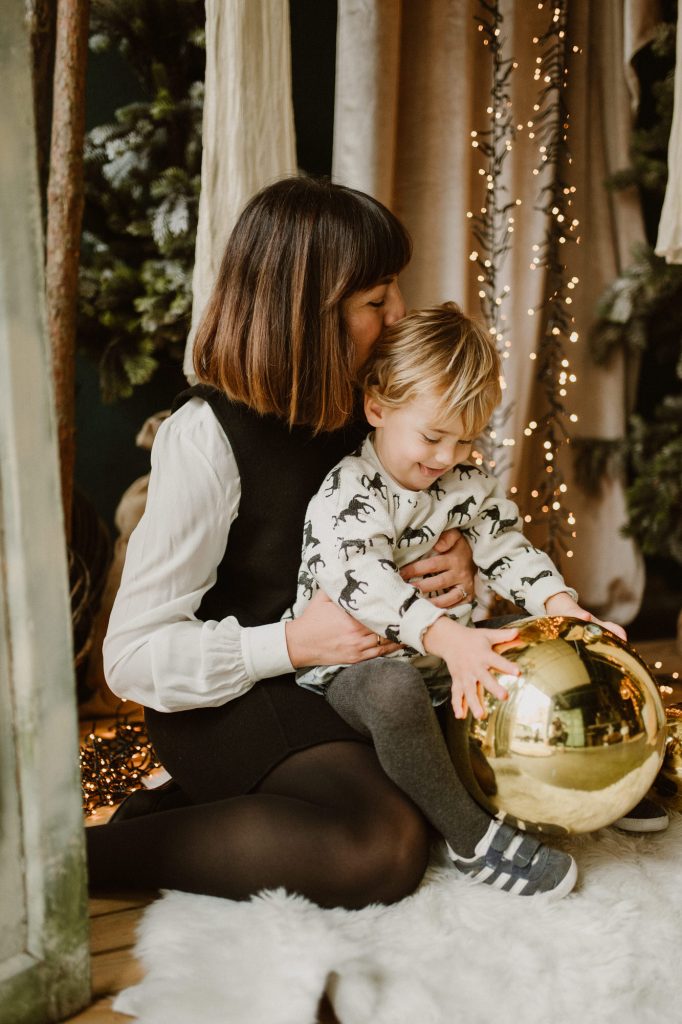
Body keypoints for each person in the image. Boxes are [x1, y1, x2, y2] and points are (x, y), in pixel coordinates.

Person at [85, 176, 480, 910]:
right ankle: (82, 858)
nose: (399, 317)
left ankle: (195, 814)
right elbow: (131, 659)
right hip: (240, 696)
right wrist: (294, 643)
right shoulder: (204, 438)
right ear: (307, 315)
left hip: (361, 682)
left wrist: (461, 558)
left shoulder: (376, 400)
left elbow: (445, 503)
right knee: (380, 849)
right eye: (375, 300)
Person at [289, 302, 632, 898]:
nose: (446, 456)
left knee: (541, 636)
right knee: (394, 692)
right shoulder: (348, 491)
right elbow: (362, 580)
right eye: (432, 436)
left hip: (448, 663)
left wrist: (559, 604)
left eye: (465, 440)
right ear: (376, 407)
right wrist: (447, 638)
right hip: (354, 673)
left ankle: (602, 771)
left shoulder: (466, 484)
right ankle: (469, 836)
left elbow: (506, 548)